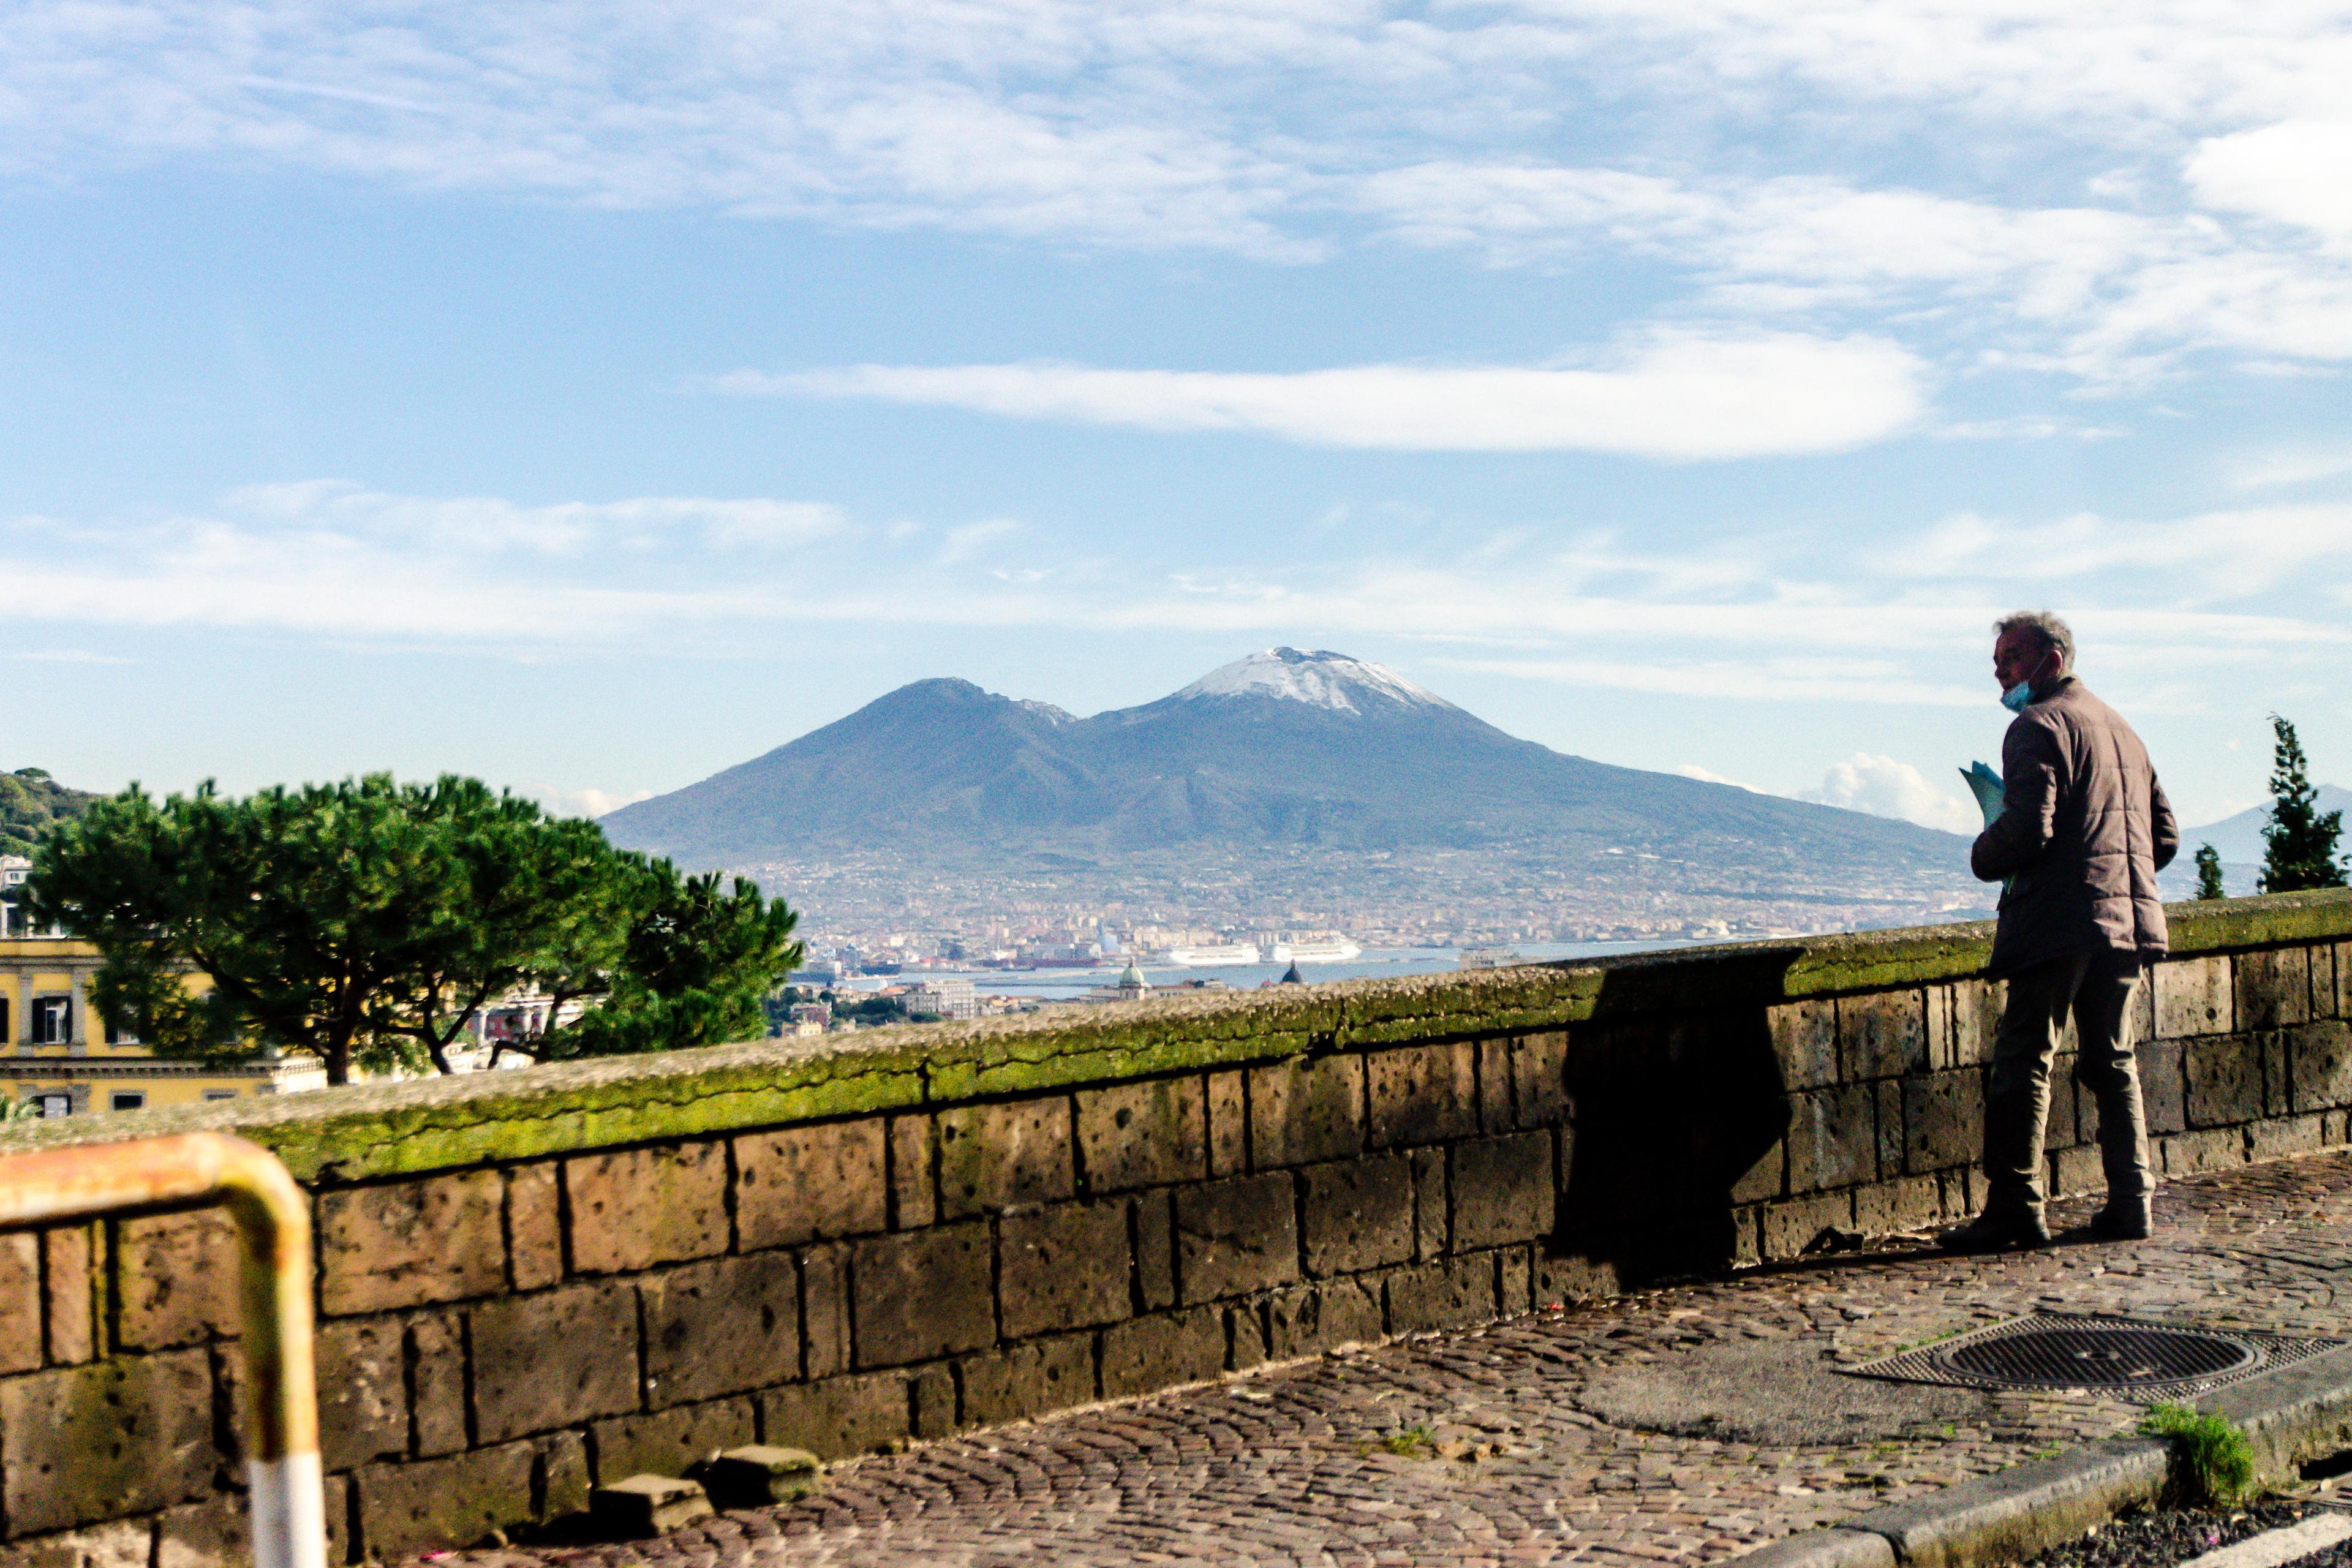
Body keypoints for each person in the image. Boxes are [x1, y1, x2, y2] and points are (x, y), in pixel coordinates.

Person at [1942, 611, 2178, 1252]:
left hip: (2056, 924)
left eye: (2010, 659)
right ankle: (2134, 1203)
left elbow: (2028, 830)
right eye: (1996, 661)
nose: (1999, 672)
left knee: (2025, 1062)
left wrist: (1983, 852)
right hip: (2126, 923)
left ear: (2051, 657)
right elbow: (2165, 837)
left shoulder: (2035, 727)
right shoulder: (2121, 727)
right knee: (2114, 1061)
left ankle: (2017, 1207)